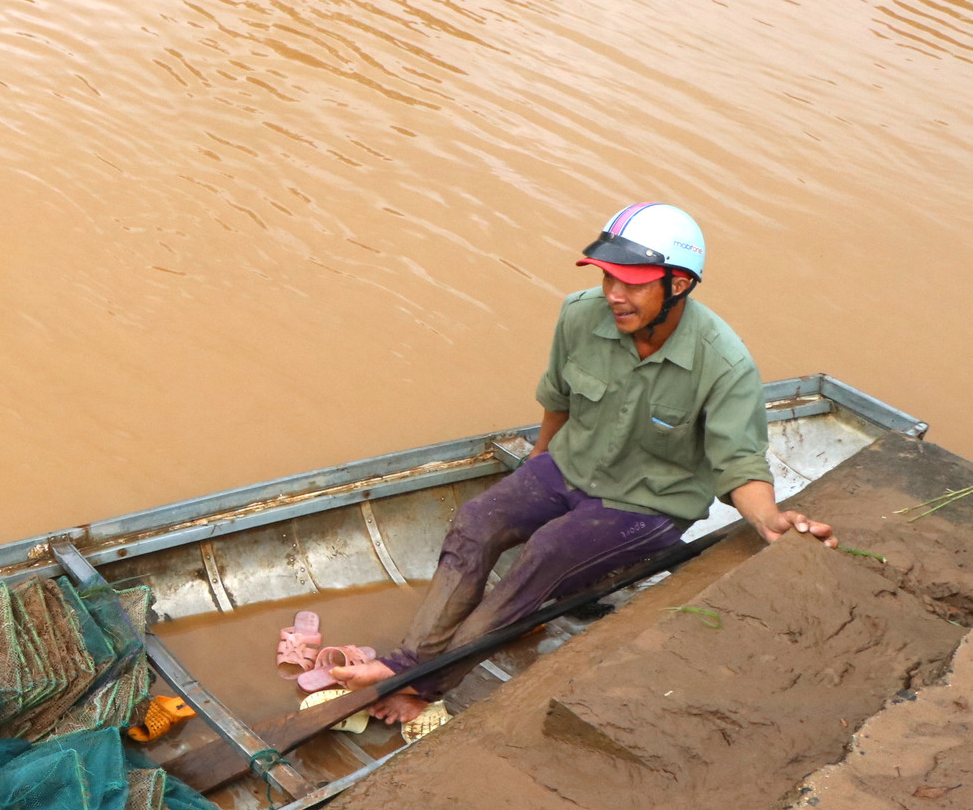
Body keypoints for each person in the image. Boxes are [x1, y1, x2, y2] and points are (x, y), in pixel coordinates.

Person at [330, 202, 837, 723]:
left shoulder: (725, 364)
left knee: (547, 552)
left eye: (632, 282)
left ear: (679, 284)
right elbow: (558, 399)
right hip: (569, 467)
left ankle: (421, 685)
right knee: (477, 520)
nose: (613, 294)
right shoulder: (579, 314)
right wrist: (534, 466)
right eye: (607, 277)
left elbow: (741, 465)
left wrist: (769, 520)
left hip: (646, 503)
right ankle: (405, 662)